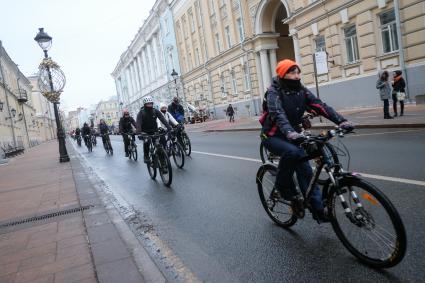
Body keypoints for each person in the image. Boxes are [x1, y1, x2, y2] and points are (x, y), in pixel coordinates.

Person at [261, 59, 354, 222]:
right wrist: (290, 132)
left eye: (298, 72)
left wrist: (342, 121)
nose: (296, 76)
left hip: (294, 134)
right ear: (282, 74)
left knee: (306, 169)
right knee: (293, 153)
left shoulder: (301, 91)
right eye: (291, 72)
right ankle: (284, 188)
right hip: (272, 135)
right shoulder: (274, 92)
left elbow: (320, 106)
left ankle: (317, 209)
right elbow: (277, 114)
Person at [137, 96, 171, 163]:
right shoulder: (141, 113)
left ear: (152, 103)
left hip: (154, 131)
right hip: (145, 132)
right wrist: (139, 132)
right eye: (148, 104)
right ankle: (146, 156)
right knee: (146, 142)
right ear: (145, 104)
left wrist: (169, 127)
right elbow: (138, 123)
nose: (149, 105)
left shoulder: (155, 111)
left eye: (150, 103)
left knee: (159, 147)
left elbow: (162, 119)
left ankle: (163, 164)